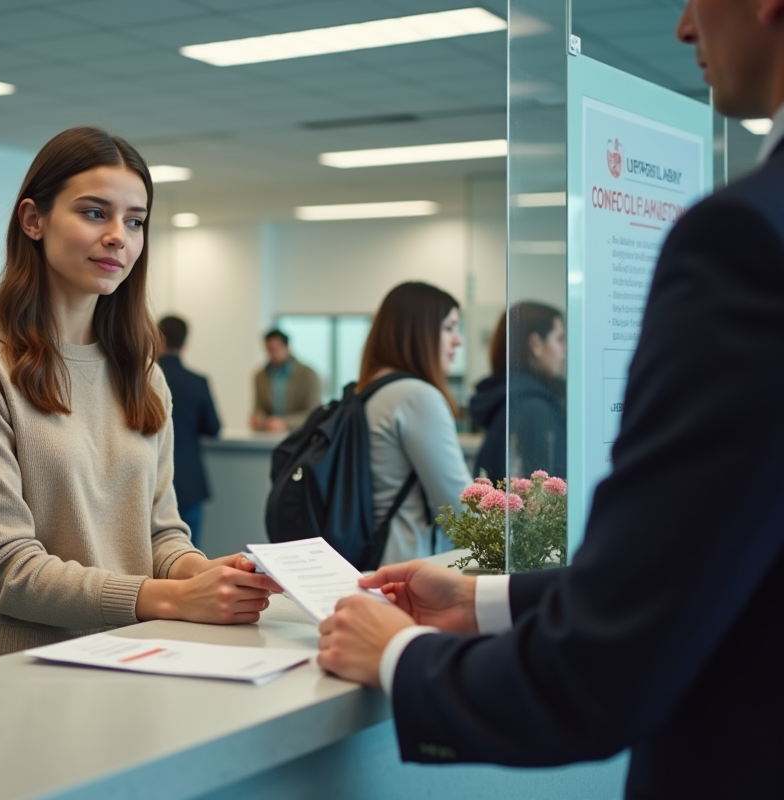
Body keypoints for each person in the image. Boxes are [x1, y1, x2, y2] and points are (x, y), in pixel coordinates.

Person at [316, 2, 784, 796]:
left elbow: (611, 667)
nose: (681, 27)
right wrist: (481, 598)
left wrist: (400, 653)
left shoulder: (746, 241)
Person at [0, 127, 278, 663]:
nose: (119, 236)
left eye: (135, 221)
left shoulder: (142, 373)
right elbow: (6, 572)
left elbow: (158, 537)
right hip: (21, 676)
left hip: (134, 657)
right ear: (33, 220)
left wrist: (203, 572)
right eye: (95, 213)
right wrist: (176, 597)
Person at [358, 282, 473, 565]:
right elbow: (460, 510)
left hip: (370, 562)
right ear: (417, 332)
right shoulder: (417, 397)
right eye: (449, 328)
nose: (457, 340)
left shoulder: (367, 390)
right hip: (409, 571)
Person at [470, 303, 567, 480]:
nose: (565, 348)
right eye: (559, 339)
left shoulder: (510, 396)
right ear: (536, 344)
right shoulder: (534, 407)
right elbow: (545, 496)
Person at [157, 315, 221, 548]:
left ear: (158, 338)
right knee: (190, 555)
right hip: (189, 482)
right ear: (185, 343)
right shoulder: (197, 381)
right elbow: (213, 428)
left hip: (150, 481)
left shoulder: (140, 379)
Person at [250, 329, 321, 433]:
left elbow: (314, 413)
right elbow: (258, 408)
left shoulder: (309, 375)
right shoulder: (260, 376)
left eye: (277, 349)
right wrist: (259, 419)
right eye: (269, 349)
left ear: (287, 348)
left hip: (301, 435)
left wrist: (285, 423)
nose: (273, 354)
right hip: (269, 436)